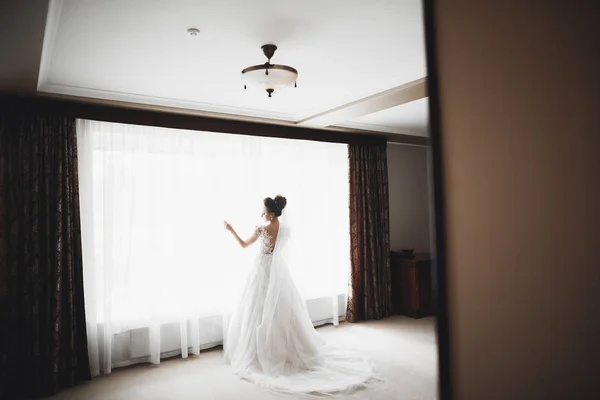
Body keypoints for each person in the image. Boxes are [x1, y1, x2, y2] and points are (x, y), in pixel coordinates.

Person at [222, 195, 379, 395]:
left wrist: (231, 230)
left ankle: (261, 351)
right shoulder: (285, 229)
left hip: (262, 270)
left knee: (258, 308)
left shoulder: (262, 228)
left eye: (263, 210)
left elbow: (244, 244)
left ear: (270, 213)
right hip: (279, 272)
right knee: (280, 309)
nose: (261, 212)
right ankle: (286, 347)